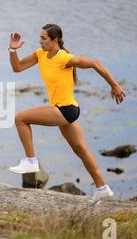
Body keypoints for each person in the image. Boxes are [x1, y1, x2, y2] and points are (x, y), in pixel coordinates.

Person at [8, 23, 126, 204]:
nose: (40, 41)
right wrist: (12, 49)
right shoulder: (40, 55)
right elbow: (17, 68)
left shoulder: (65, 58)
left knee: (20, 118)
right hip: (66, 111)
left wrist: (115, 85)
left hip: (65, 110)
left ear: (55, 40)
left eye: (44, 38)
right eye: (40, 38)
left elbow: (95, 63)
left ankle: (31, 161)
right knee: (81, 150)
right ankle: (102, 188)